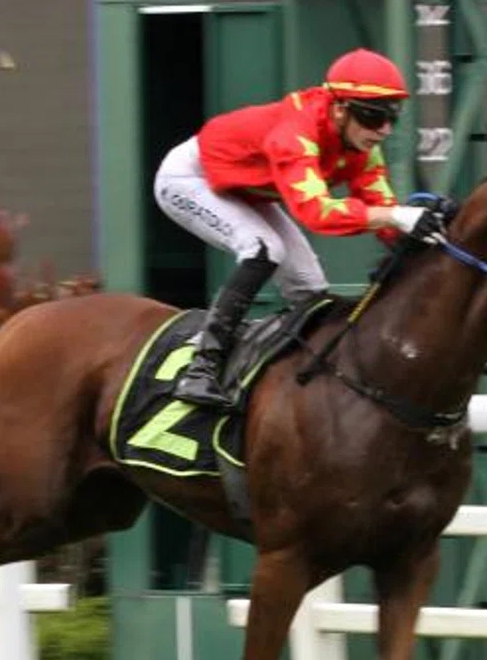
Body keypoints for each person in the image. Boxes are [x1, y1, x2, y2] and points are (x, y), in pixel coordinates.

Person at [153, 47, 444, 410]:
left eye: (391, 119)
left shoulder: (362, 144)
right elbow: (317, 212)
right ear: (339, 107)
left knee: (310, 288)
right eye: (373, 117)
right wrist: (396, 217)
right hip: (190, 178)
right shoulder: (296, 133)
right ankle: (201, 367)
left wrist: (427, 233)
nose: (383, 130)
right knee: (264, 249)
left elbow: (383, 214)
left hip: (245, 189)